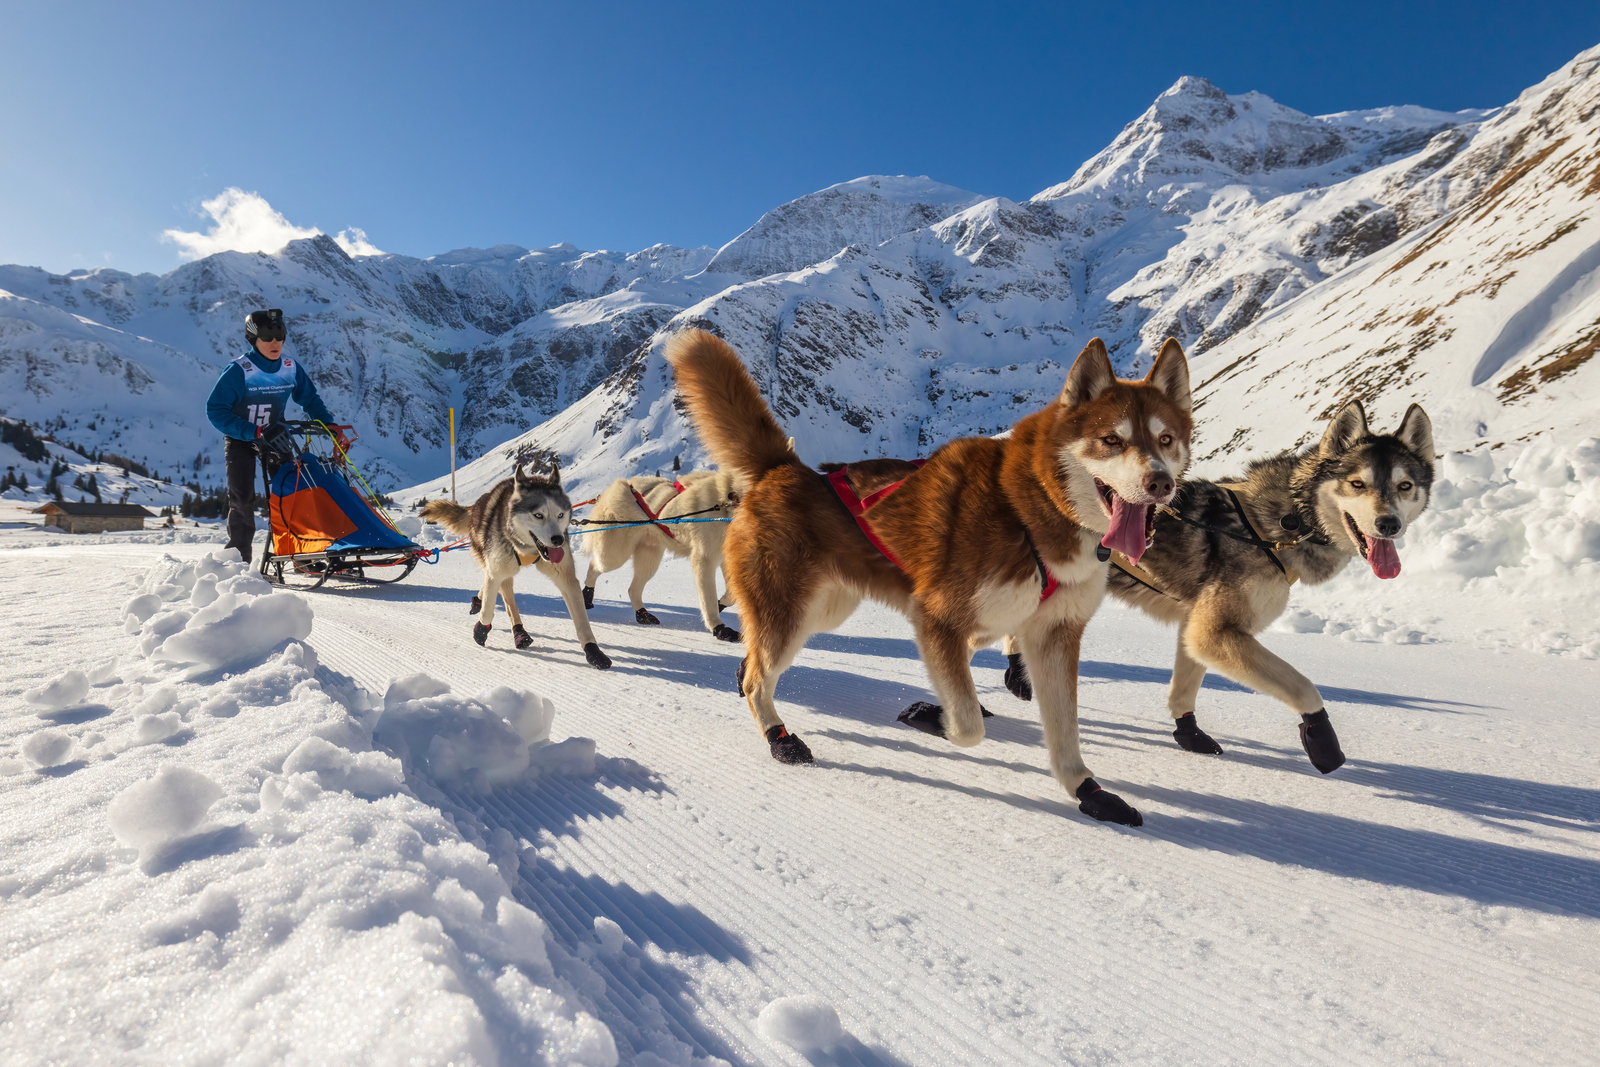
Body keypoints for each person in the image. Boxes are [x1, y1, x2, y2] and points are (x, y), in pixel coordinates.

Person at [205, 308, 345, 564]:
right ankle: (238, 563)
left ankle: (301, 554)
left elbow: (310, 399)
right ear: (253, 340)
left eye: (279, 336)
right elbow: (215, 410)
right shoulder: (239, 370)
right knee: (242, 499)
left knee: (291, 495)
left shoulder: (290, 368)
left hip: (276, 437)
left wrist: (327, 424)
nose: (275, 343)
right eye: (268, 337)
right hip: (241, 438)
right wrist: (252, 431)